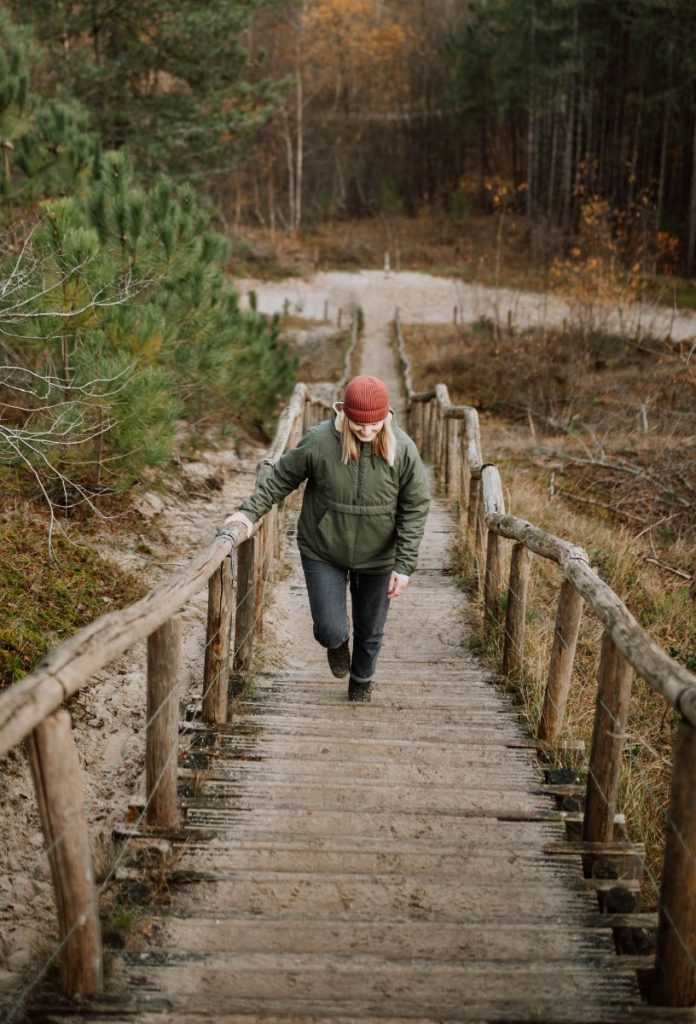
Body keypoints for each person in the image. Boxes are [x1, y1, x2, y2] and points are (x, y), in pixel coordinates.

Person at [224, 374, 430, 702]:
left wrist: (404, 566)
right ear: (344, 413)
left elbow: (415, 506)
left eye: (374, 425)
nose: (366, 431)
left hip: (379, 555)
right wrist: (248, 513)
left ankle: (361, 681)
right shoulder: (319, 441)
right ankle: (337, 643)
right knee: (329, 629)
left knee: (370, 629)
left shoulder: (403, 448)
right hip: (324, 548)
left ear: (386, 416)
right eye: (359, 424)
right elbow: (281, 478)